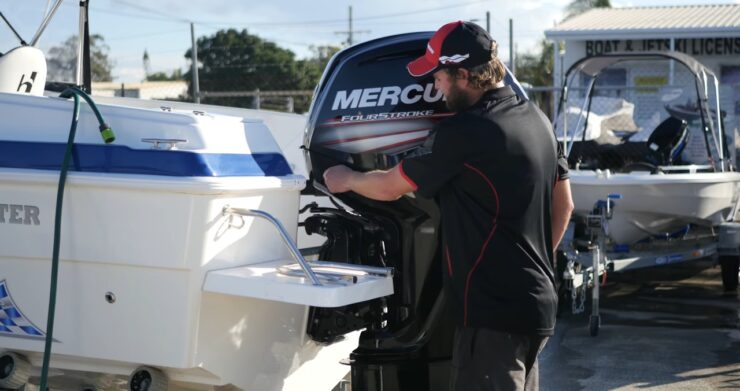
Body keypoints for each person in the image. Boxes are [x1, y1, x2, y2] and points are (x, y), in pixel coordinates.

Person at [323, 20, 573, 391]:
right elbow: (564, 205)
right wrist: (527, 264)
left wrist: (346, 178)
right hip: (535, 304)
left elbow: (391, 187)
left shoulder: (468, 131)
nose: (434, 87)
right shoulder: (537, 120)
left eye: (438, 77)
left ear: (463, 74)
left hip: (493, 317)